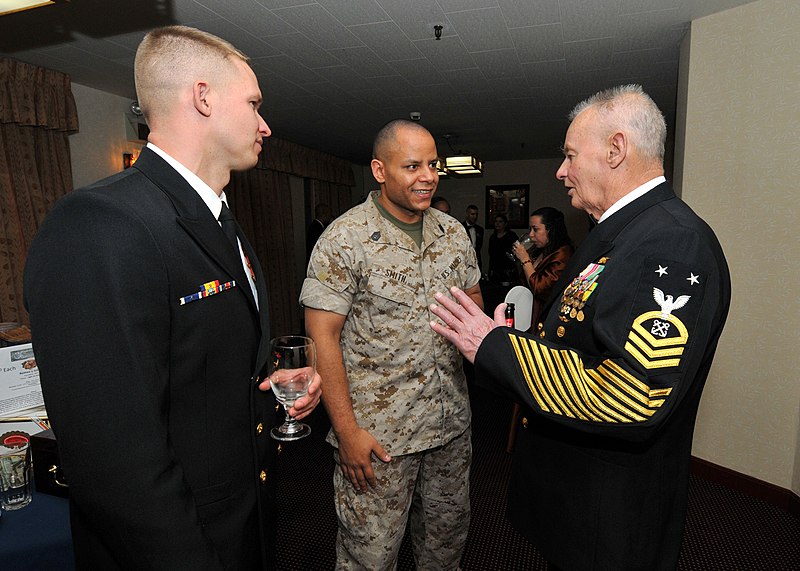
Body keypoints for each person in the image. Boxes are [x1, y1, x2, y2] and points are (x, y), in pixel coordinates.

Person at [24, 26, 321, 570]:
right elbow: (113, 461)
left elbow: (195, 367)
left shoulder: (222, 221)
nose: (265, 124)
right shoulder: (99, 224)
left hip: (243, 523)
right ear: (203, 97)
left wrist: (268, 386)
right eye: (254, 103)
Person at [429, 84, 731, 571]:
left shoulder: (673, 244)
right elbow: (578, 338)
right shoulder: (622, 233)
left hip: (609, 511)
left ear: (616, 150)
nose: (560, 171)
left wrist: (495, 348)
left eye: (570, 155)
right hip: (575, 490)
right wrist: (517, 339)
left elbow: (631, 393)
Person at [301, 119, 482, 570]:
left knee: (444, 548)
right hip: (379, 439)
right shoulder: (345, 239)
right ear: (380, 171)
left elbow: (474, 307)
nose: (428, 176)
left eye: (433, 164)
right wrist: (346, 432)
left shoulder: (453, 234)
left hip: (449, 429)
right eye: (413, 166)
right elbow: (321, 337)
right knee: (371, 557)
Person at [512, 206, 574, 328]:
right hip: (528, 315)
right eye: (530, 229)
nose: (531, 235)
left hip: (546, 321)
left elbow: (540, 288)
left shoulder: (563, 254)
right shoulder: (541, 251)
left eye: (535, 229)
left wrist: (525, 260)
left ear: (550, 230)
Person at [487, 213, 518, 284]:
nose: (497, 224)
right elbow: (491, 255)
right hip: (495, 270)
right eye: (496, 221)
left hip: (508, 270)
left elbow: (516, 252)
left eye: (500, 221)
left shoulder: (511, 236)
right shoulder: (493, 237)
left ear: (505, 224)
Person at [463, 204, 484, 270]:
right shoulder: (461, 228)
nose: (475, 217)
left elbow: (479, 247)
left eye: (476, 214)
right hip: (464, 262)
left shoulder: (480, 229)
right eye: (472, 214)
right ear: (467, 214)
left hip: (476, 261)